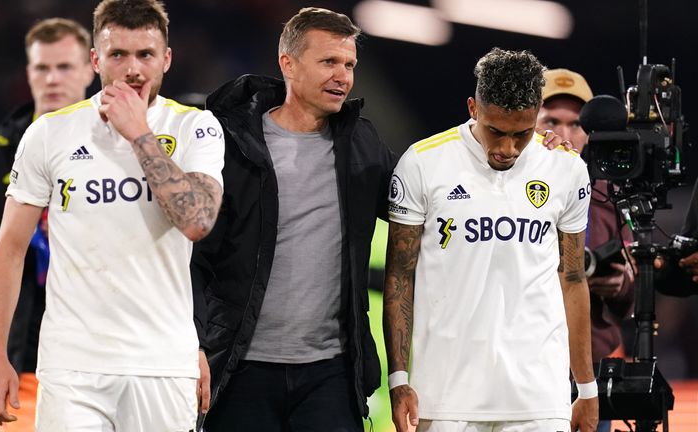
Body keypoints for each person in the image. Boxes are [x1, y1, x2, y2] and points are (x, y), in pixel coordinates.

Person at [0, 0, 224, 429]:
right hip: (73, 367)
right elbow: (10, 248)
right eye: (118, 55)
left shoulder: (195, 127)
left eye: (145, 55)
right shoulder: (50, 132)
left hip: (162, 363)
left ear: (166, 59)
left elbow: (198, 221)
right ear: (95, 60)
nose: (133, 69)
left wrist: (138, 133)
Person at [190, 7, 396, 431]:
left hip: (331, 374)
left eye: (350, 65)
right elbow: (195, 257)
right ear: (288, 63)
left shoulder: (363, 143)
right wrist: (193, 344)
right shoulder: (231, 144)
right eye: (329, 62)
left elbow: (424, 198)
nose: (343, 75)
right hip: (240, 367)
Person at [384, 48, 598, 432]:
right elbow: (400, 275)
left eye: (522, 134)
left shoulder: (566, 169)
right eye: (495, 131)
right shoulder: (423, 163)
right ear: (473, 108)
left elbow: (573, 278)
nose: (507, 149)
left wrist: (586, 387)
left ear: (536, 114)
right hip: (446, 395)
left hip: (539, 398)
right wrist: (399, 380)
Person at [0, 17, 94, 431]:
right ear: (27, 73)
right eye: (40, 68)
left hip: (108, 352)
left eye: (64, 67)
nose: (52, 79)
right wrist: (28, 242)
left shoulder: (122, 145)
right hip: (27, 357)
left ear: (90, 69)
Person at [539, 68, 635, 365]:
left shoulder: (611, 198)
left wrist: (621, 285)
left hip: (588, 366)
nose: (564, 136)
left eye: (577, 124)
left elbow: (632, 292)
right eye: (551, 121)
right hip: (522, 364)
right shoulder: (502, 191)